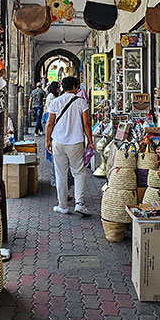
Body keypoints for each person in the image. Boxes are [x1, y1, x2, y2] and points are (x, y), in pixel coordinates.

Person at [45, 76, 93, 215]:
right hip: (75, 142)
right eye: (77, 86)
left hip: (58, 142)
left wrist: (47, 140)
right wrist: (90, 141)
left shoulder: (55, 102)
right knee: (79, 173)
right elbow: (86, 124)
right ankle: (79, 203)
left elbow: (49, 124)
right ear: (73, 87)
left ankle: (63, 206)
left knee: (61, 174)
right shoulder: (81, 102)